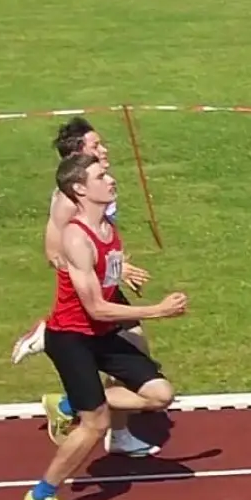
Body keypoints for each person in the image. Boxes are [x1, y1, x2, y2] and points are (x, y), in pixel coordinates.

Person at [22, 154, 187, 500]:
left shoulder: (109, 230)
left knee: (160, 395)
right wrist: (156, 311)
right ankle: (41, 496)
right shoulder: (76, 237)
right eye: (101, 175)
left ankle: (67, 404)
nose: (111, 179)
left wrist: (122, 270)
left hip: (100, 334)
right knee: (94, 424)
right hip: (71, 338)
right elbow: (95, 308)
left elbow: (106, 279)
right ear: (80, 188)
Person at [14, 117, 160, 457]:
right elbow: (55, 252)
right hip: (88, 297)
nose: (104, 149)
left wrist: (118, 268)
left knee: (138, 355)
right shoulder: (67, 200)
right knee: (136, 356)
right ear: (79, 155)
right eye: (96, 146)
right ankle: (69, 403)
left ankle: (115, 430)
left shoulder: (98, 188)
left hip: (105, 285)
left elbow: (101, 241)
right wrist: (90, 280)